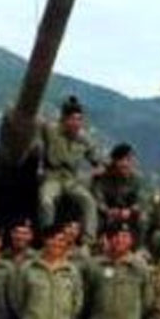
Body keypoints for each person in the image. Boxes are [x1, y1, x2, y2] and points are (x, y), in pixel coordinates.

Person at [38, 96, 103, 241]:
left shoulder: (83, 139)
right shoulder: (51, 131)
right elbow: (37, 122)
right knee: (46, 200)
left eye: (79, 119)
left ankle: (88, 240)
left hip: (71, 179)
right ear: (64, 120)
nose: (76, 123)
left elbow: (96, 160)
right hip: (52, 176)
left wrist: (96, 169)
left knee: (88, 201)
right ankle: (48, 238)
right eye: (72, 119)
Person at [91, 144, 150, 246]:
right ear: (114, 162)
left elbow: (142, 200)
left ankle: (138, 247)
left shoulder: (136, 179)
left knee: (143, 218)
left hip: (128, 214)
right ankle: (95, 243)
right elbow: (98, 198)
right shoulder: (103, 178)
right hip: (107, 214)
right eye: (122, 161)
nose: (126, 164)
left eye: (129, 160)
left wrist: (130, 210)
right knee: (95, 217)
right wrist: (108, 211)